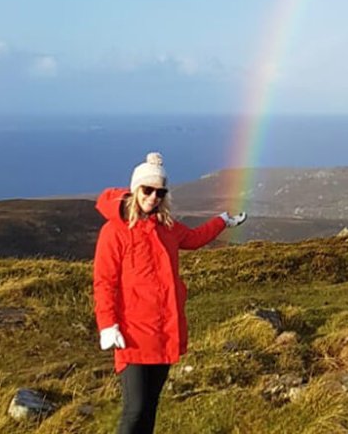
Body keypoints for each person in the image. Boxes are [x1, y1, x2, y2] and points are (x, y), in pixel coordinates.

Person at [92, 151, 245, 434]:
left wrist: (223, 220)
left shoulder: (167, 227)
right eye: (147, 190)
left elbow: (195, 238)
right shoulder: (114, 231)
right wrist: (107, 325)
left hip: (163, 331)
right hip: (132, 334)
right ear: (135, 190)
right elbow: (104, 282)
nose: (153, 197)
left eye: (160, 192)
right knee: (134, 409)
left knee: (150, 405)